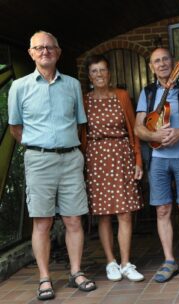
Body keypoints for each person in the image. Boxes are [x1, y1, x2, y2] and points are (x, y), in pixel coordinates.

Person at [7, 31, 96, 301]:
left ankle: (77, 272)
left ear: (58, 52)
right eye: (39, 48)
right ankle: (44, 278)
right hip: (39, 160)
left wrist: (66, 148)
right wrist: (39, 146)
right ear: (31, 53)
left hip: (70, 158)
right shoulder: (19, 87)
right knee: (42, 222)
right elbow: (15, 128)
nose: (45, 51)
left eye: (49, 47)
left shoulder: (71, 85)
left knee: (73, 219)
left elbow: (80, 123)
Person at [134, 47, 179, 282]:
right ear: (151, 67)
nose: (161, 64)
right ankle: (169, 260)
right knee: (162, 209)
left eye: (165, 59)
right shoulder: (149, 92)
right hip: (158, 160)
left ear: (173, 63)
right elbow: (138, 127)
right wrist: (154, 137)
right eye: (156, 61)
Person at [80, 55, 144, 282]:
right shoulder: (84, 100)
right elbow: (81, 134)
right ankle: (111, 262)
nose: (99, 75)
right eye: (95, 71)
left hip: (122, 155)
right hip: (96, 158)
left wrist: (137, 159)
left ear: (109, 73)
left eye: (103, 70)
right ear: (89, 76)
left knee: (125, 212)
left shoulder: (122, 96)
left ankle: (126, 263)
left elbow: (134, 129)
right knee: (104, 215)